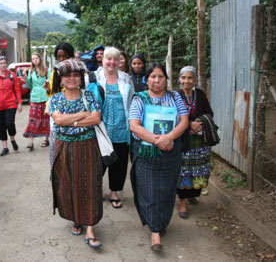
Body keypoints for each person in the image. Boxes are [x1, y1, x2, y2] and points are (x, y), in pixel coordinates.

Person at [129, 62, 188, 251]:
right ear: (147, 79)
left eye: (160, 76)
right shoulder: (140, 99)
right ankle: (155, 232)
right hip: (147, 151)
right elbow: (134, 125)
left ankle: (162, 222)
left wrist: (169, 137)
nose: (156, 80)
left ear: (166, 79)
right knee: (150, 189)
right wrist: (157, 141)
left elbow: (184, 121)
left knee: (168, 188)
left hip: (171, 149)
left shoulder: (175, 97)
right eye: (152, 76)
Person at [49, 59, 103, 248]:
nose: (72, 78)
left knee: (89, 184)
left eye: (75, 75)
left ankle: (90, 228)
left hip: (88, 146)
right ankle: (75, 218)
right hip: (64, 147)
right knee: (68, 184)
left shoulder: (88, 95)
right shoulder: (56, 98)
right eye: (67, 75)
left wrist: (69, 120)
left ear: (81, 77)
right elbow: (58, 120)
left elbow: (96, 117)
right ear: (61, 78)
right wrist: (82, 116)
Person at [87, 47, 134, 209]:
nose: (112, 62)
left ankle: (114, 192)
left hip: (122, 128)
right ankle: (96, 189)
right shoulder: (93, 77)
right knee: (97, 162)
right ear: (103, 60)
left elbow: (132, 101)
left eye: (116, 59)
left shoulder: (126, 79)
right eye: (109, 59)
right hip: (100, 129)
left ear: (120, 61)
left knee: (119, 163)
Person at [176, 66, 214, 218]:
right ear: (179, 79)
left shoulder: (200, 94)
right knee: (183, 170)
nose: (187, 81)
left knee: (197, 169)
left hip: (199, 141)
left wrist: (198, 122)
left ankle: (192, 193)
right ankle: (182, 201)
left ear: (195, 80)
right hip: (183, 140)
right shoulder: (175, 95)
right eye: (183, 78)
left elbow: (209, 113)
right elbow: (173, 115)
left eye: (190, 78)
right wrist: (189, 124)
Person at [46, 43, 75, 166]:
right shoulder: (55, 72)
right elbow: (52, 94)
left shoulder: (77, 71)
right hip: (58, 112)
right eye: (59, 57)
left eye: (64, 56)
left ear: (70, 56)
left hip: (73, 111)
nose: (61, 59)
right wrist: (48, 90)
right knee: (56, 145)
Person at [0, 56, 22, 156]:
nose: (3, 65)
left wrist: (20, 102)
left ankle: (12, 139)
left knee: (9, 123)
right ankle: (5, 147)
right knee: (1, 126)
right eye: (1, 63)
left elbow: (17, 89)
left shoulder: (12, 75)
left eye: (4, 63)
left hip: (11, 104)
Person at [23, 53, 50, 150]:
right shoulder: (31, 72)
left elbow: (50, 83)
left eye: (36, 58)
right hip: (34, 98)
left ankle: (46, 139)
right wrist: (26, 78)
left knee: (46, 119)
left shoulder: (47, 70)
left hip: (45, 97)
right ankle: (31, 141)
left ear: (40, 59)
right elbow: (30, 86)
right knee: (33, 119)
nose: (35, 60)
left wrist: (47, 84)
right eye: (33, 59)